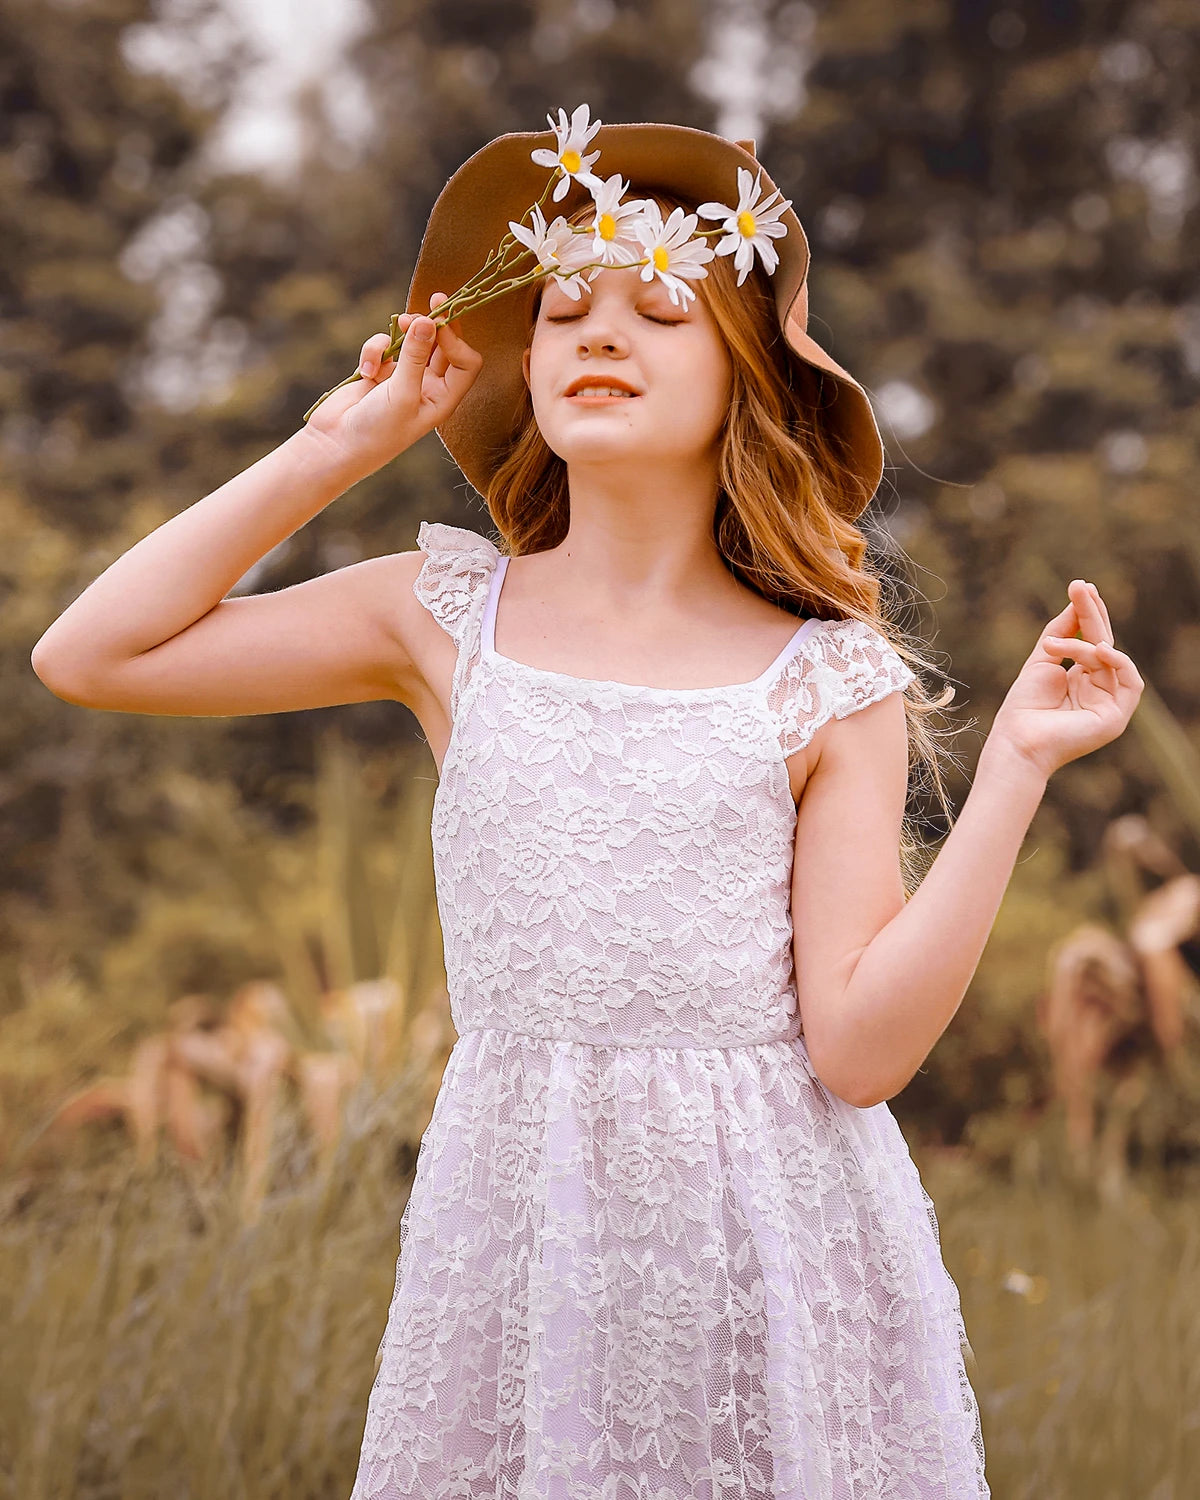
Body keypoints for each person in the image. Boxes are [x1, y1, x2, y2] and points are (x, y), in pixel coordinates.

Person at [31, 113, 1143, 1498]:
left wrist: (1021, 769)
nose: (597, 333)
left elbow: (859, 1053)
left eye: (661, 309)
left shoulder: (827, 681)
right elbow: (90, 654)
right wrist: (339, 448)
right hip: (522, 1240)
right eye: (562, 308)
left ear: (745, 378)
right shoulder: (441, 618)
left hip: (773, 1257)